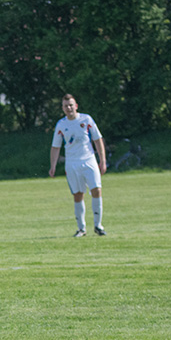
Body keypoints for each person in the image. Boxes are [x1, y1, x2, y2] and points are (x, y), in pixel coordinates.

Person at [48, 94, 107, 237]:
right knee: (78, 194)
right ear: (62, 108)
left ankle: (98, 226)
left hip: (89, 160)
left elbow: (97, 140)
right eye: (65, 106)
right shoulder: (61, 125)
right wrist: (53, 165)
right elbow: (55, 147)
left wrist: (102, 160)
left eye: (71, 105)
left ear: (76, 106)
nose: (68, 108)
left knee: (96, 190)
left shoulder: (86, 119)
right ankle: (81, 228)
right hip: (72, 163)